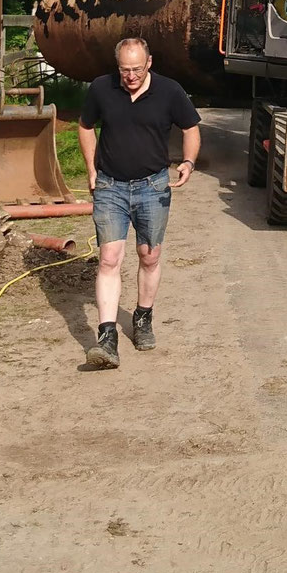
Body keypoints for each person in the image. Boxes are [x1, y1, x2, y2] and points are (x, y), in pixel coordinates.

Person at [75, 37, 201, 369]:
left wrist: (188, 162)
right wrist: (91, 169)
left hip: (153, 186)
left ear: (149, 63)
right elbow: (85, 127)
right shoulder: (102, 89)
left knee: (150, 255)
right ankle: (107, 337)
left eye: (136, 69)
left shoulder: (170, 91)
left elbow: (191, 128)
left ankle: (143, 318)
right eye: (124, 70)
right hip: (110, 186)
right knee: (109, 258)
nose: (130, 76)